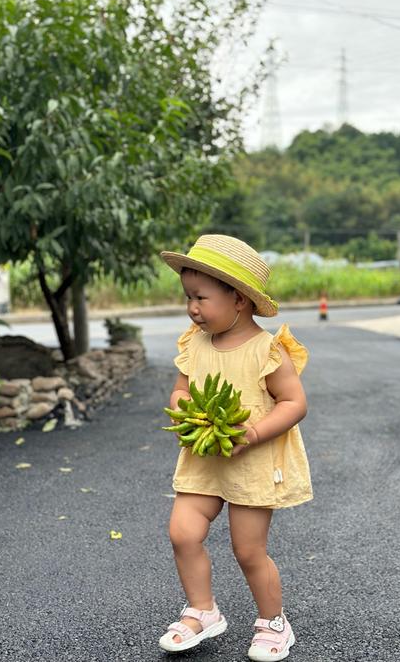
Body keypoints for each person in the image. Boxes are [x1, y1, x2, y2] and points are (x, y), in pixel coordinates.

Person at [158, 234, 312, 661]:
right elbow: (180, 391)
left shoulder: (267, 350)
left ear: (239, 299)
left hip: (252, 462)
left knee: (248, 550)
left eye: (201, 298)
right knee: (182, 533)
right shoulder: (195, 341)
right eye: (188, 297)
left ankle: (273, 623)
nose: (192, 307)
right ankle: (203, 611)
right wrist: (184, 413)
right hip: (203, 459)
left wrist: (254, 433)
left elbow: (294, 402)